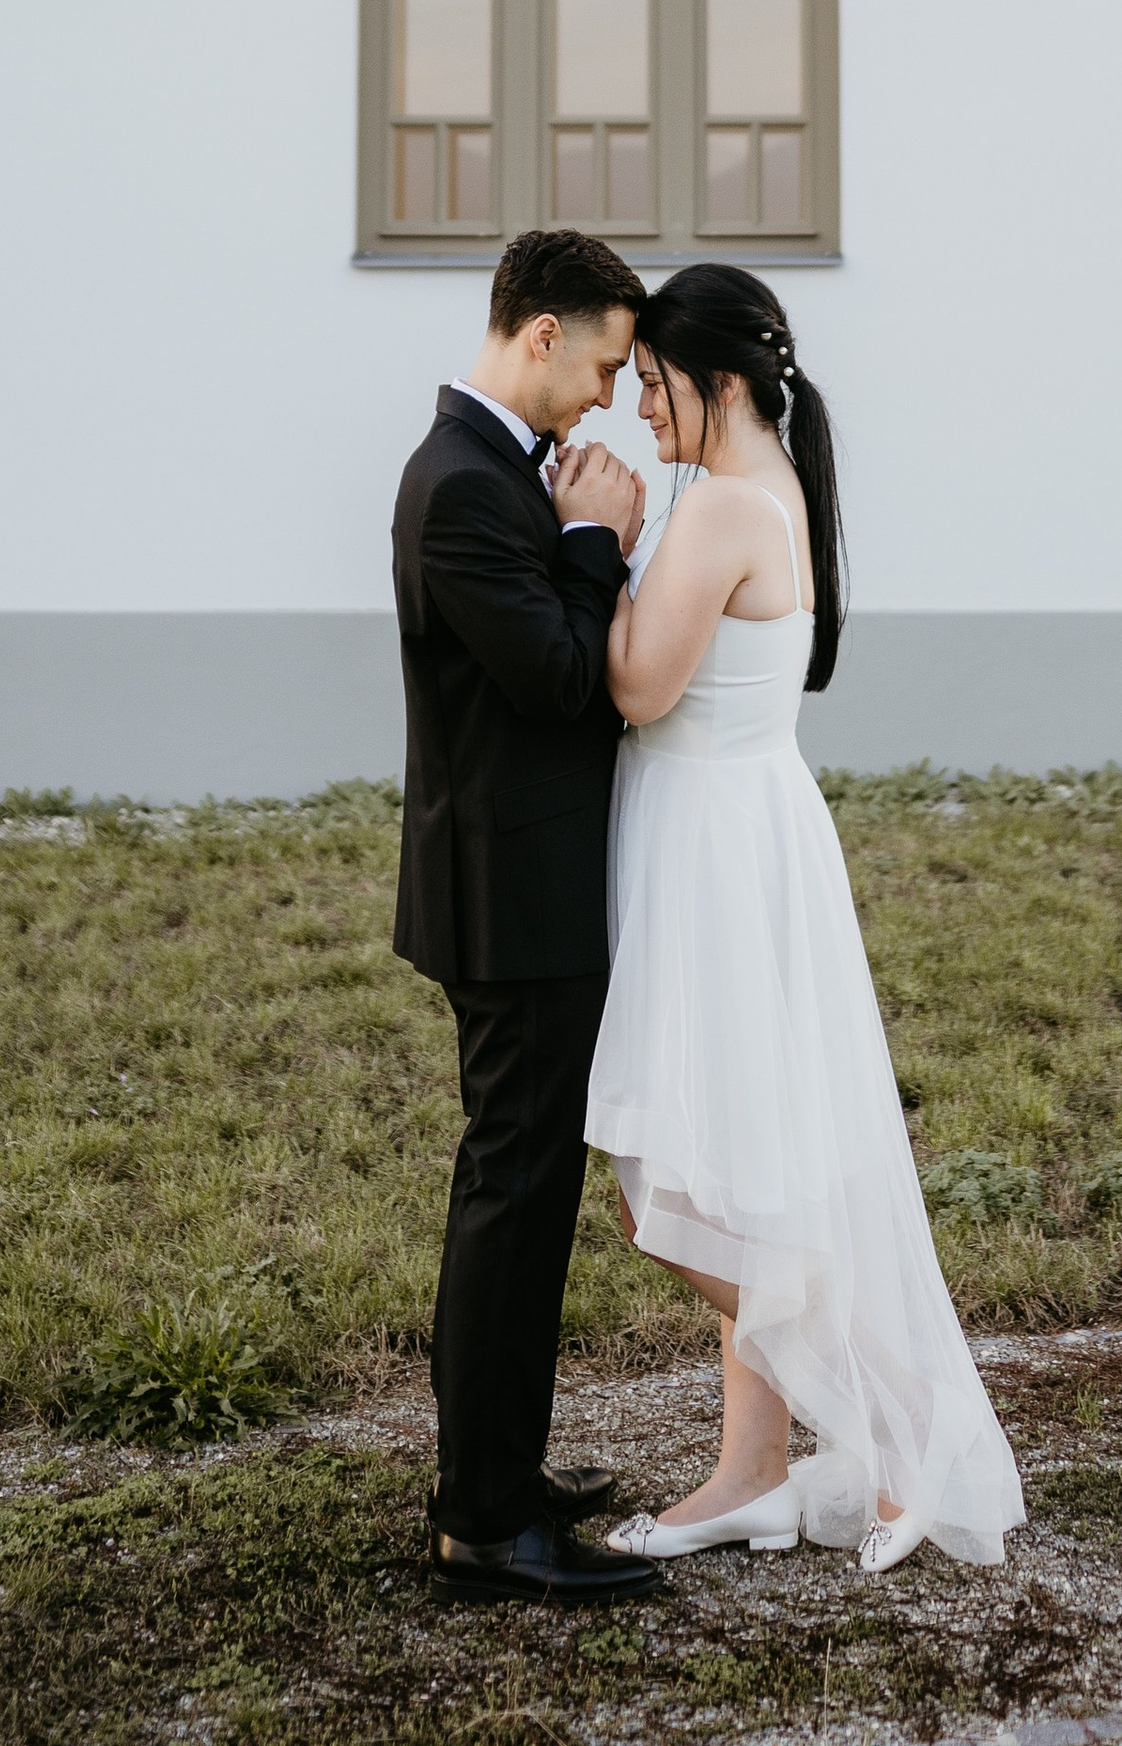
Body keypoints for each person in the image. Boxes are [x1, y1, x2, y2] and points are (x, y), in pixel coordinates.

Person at [580, 265, 1024, 1573]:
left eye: (655, 389)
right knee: (743, 1166)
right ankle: (754, 1474)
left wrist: (592, 545)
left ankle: (904, 1421)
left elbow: (634, 686)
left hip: (713, 850)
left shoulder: (720, 507)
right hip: (743, 831)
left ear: (718, 384)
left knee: (672, 1185)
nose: (641, 419)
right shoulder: (765, 490)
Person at [390, 227, 661, 1605]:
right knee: (512, 1193)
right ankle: (485, 1517)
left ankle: (499, 1473)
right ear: (540, 334)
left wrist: (566, 524)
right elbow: (557, 680)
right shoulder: (464, 490)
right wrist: (592, 538)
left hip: (518, 885)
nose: (613, 395)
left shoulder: (491, 472)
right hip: (511, 899)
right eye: (606, 363)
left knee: (523, 1190)